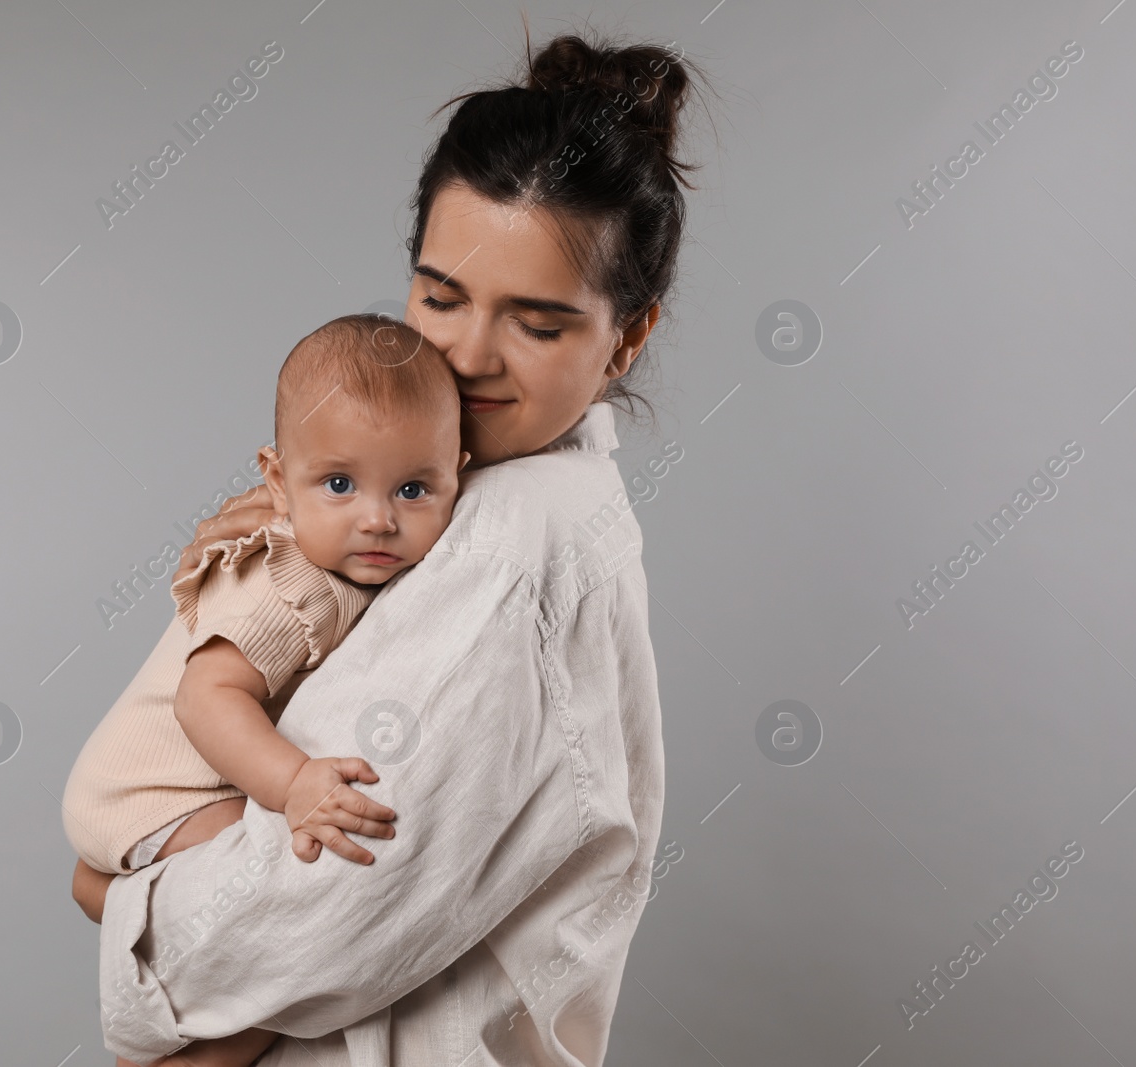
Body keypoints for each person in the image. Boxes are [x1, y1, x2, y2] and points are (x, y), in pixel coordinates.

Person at [81, 31, 699, 1066]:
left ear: (626, 337)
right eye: (440, 296)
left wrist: (114, 890)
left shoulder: (510, 548)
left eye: (537, 324)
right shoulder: (443, 499)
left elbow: (297, 920)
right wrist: (272, 576)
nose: (463, 354)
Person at [63, 315, 467, 1067]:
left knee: (291, 931)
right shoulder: (297, 585)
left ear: (458, 476)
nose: (377, 518)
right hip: (150, 793)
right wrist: (295, 785)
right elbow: (204, 697)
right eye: (338, 483)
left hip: (163, 791)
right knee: (290, 918)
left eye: (414, 488)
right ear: (278, 480)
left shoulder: (346, 555)